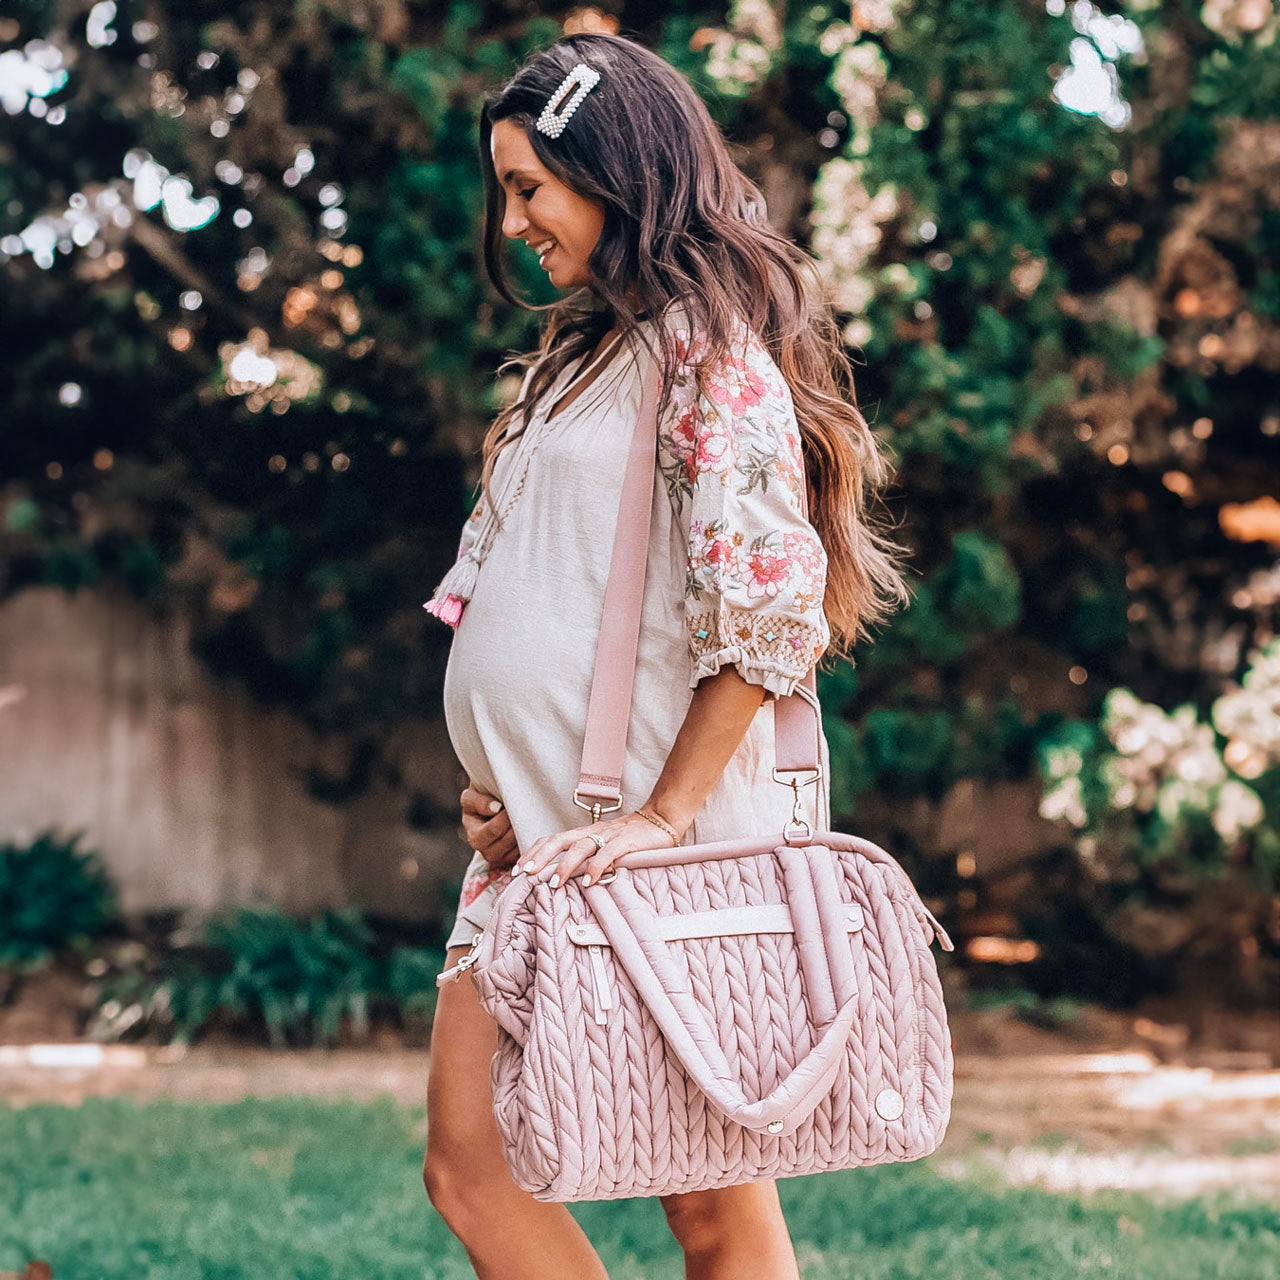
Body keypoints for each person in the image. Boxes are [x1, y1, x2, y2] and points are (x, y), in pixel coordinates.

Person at [421, 30, 910, 1280]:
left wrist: (662, 810)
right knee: (472, 1168)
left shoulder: (706, 345)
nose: (513, 216)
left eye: (530, 185)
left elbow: (768, 603)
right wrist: (497, 776)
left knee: (709, 1207)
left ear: (614, 175)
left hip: (653, 850)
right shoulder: (572, 363)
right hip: (535, 844)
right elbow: (541, 603)